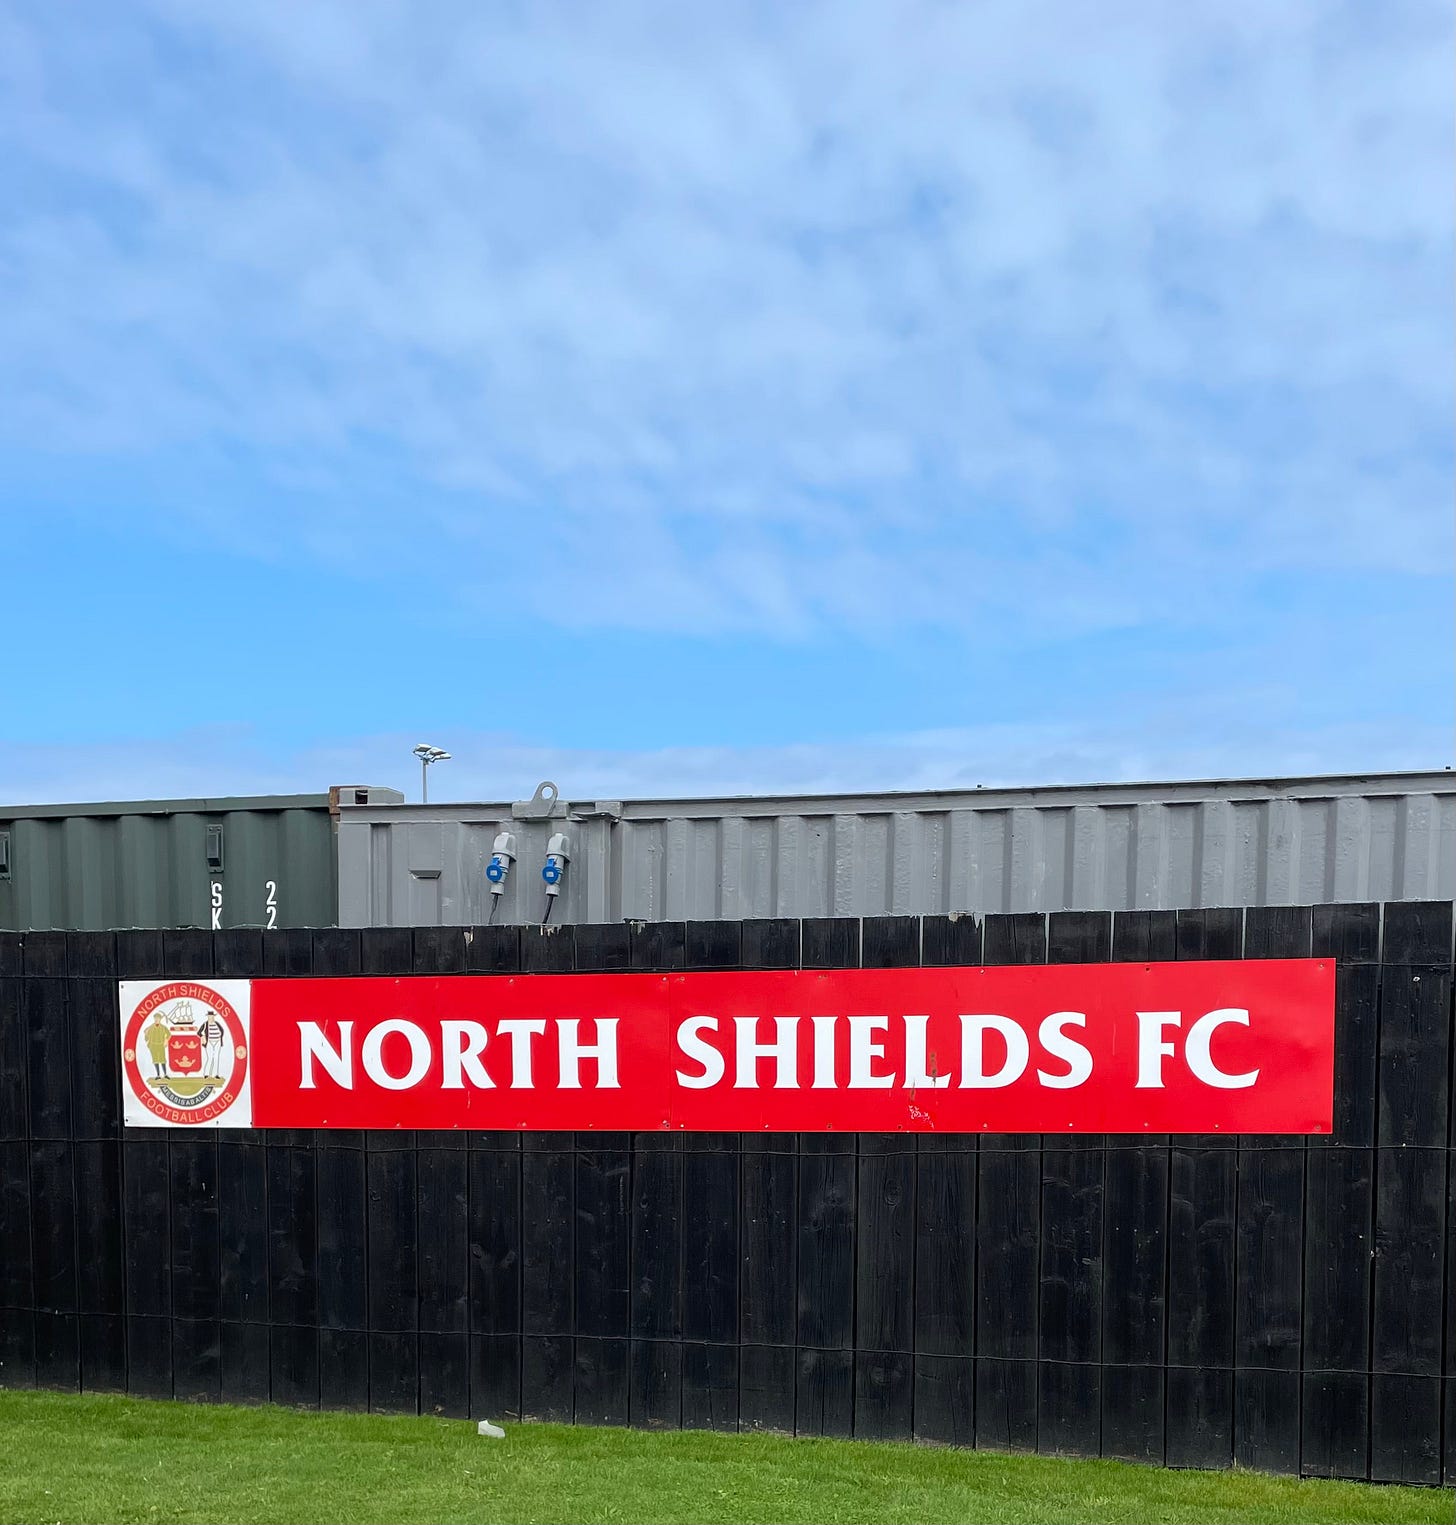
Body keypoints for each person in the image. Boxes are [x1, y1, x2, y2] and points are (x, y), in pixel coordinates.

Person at [199, 1008, 226, 1080]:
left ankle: (216, 1074)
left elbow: (222, 1031)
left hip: (217, 1042)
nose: (211, 1018)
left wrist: (219, 1038)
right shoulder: (205, 1024)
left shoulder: (217, 1023)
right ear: (208, 1017)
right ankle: (207, 1074)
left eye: (212, 1017)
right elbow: (199, 1032)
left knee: (216, 1057)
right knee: (210, 1058)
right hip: (209, 1042)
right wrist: (203, 1037)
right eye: (210, 1017)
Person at [144, 1013, 168, 1078]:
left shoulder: (163, 1028)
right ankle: (158, 1075)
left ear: (160, 1019)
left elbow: (168, 1034)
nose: (157, 1019)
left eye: (158, 1018)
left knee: (162, 1059)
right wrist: (146, 1034)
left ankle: (165, 1074)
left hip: (161, 1045)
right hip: (153, 1046)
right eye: (155, 1018)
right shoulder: (151, 1028)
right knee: (155, 1060)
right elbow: (146, 1037)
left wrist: (166, 1040)